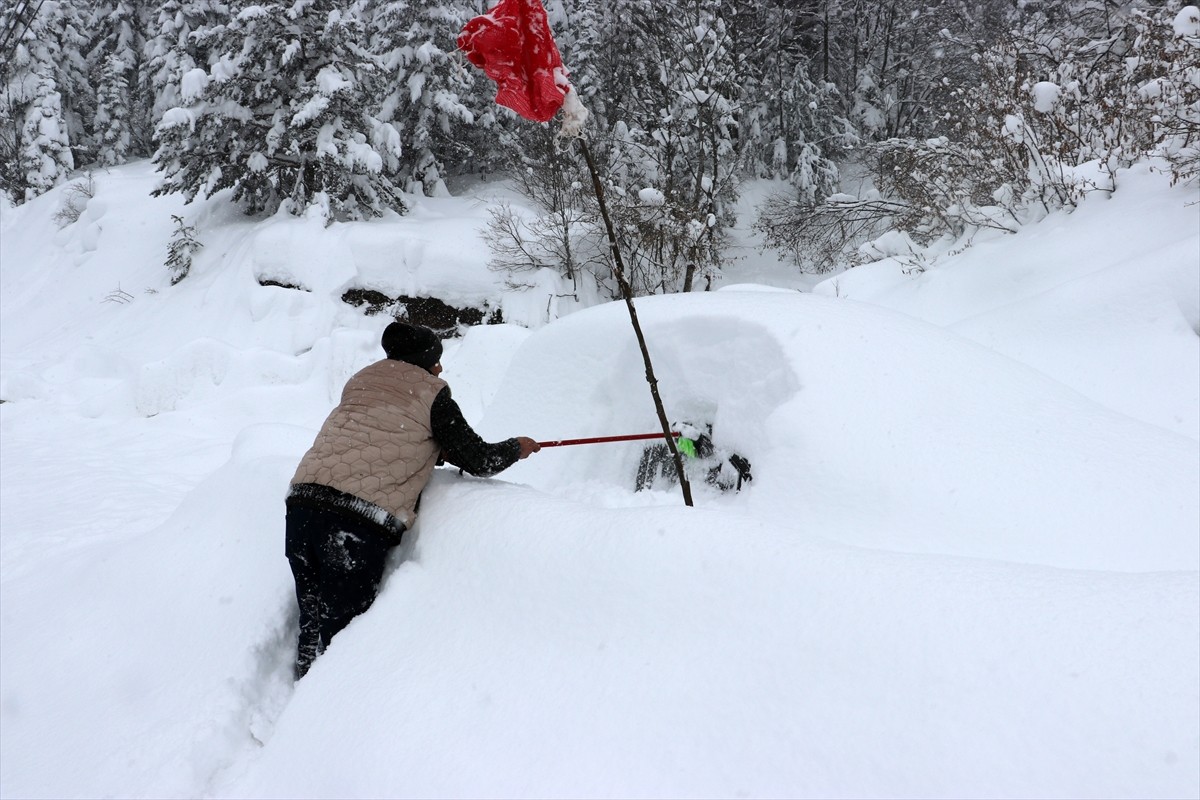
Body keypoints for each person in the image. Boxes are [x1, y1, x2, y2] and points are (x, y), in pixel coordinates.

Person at [284, 321, 540, 678]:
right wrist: (516, 448)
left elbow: (378, 433)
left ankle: (302, 685)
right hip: (356, 518)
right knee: (342, 634)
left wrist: (431, 450)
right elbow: (478, 458)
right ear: (423, 360)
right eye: (436, 360)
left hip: (302, 503)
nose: (440, 368)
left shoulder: (362, 379)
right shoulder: (432, 393)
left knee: (312, 618)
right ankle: (325, 709)